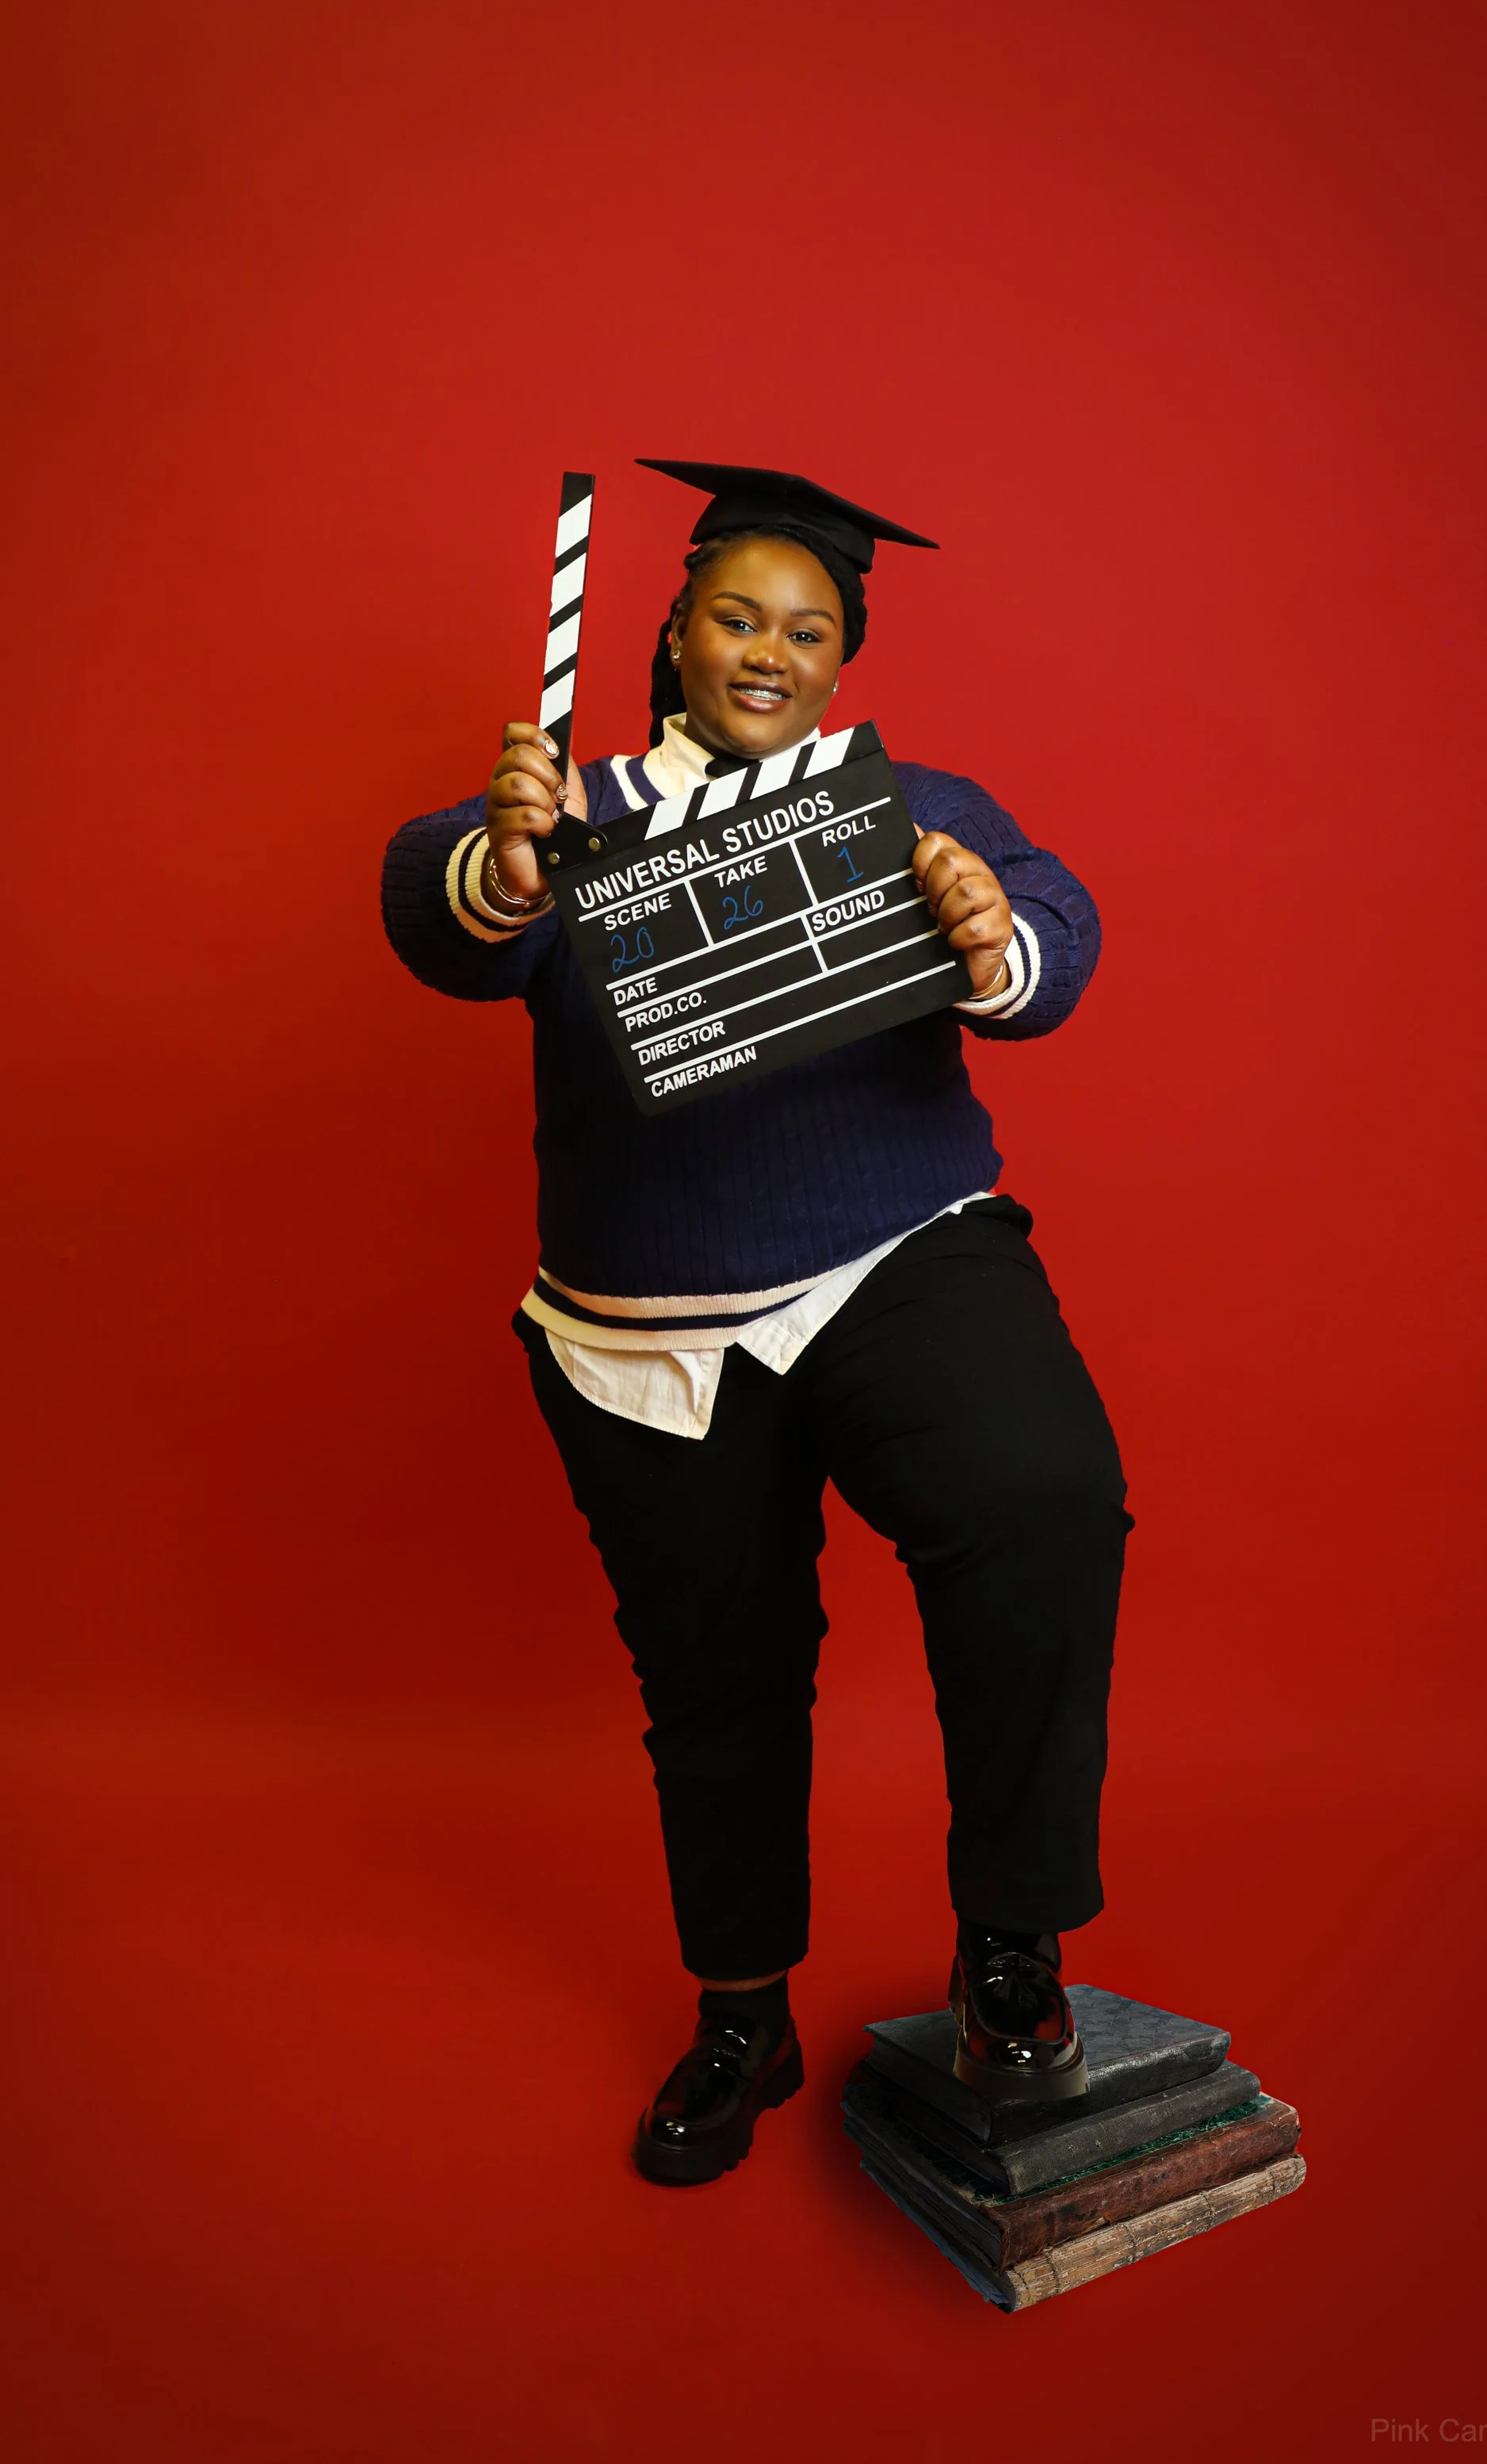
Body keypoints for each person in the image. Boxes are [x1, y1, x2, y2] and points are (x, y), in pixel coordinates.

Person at [381, 461, 1132, 2185]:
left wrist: (987, 931)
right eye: (738, 615)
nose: (768, 650)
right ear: (675, 626)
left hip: (893, 1255)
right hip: (642, 1325)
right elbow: (438, 910)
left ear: (839, 665)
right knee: (716, 1681)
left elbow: (1060, 929)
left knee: (1040, 1501)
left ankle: (1012, 1944)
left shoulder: (907, 803)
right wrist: (501, 867)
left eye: (806, 628)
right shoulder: (569, 817)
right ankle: (742, 2013)